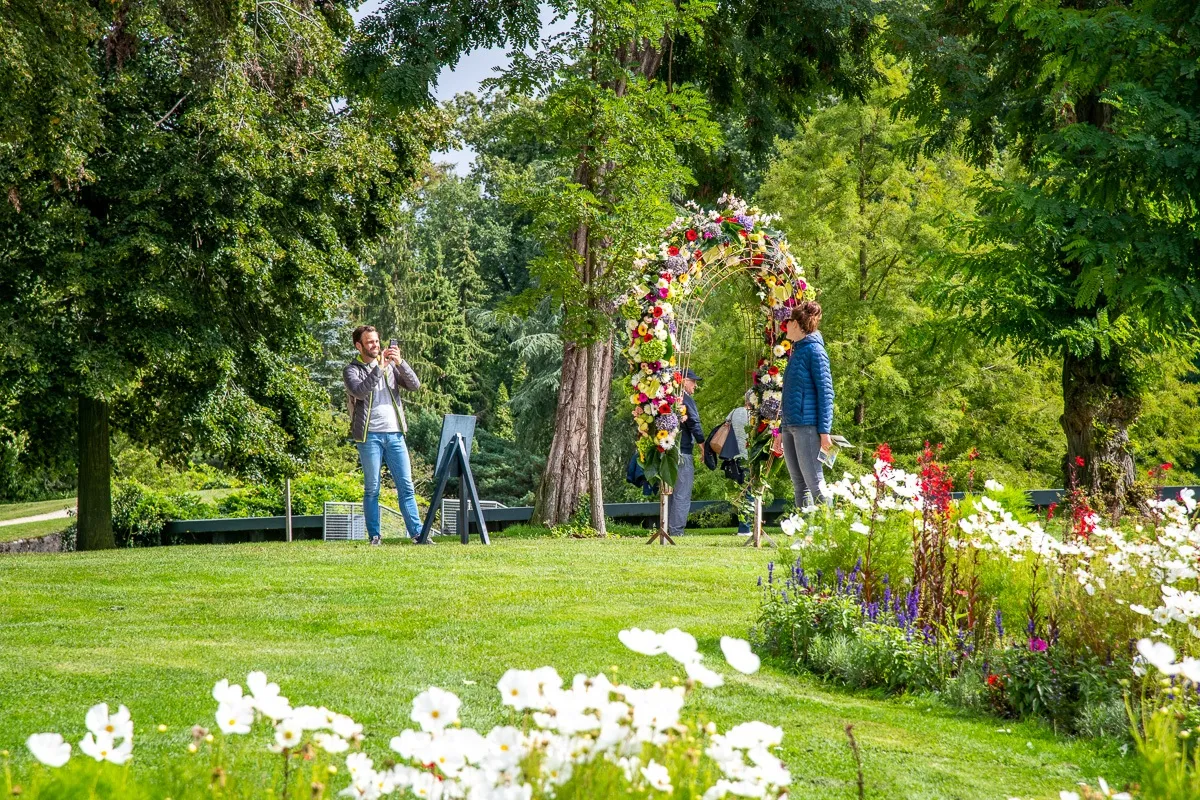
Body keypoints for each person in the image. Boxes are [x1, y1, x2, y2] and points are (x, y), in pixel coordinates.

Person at [343, 325, 423, 545]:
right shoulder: (352, 370)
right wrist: (379, 368)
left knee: (406, 487)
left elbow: (415, 385)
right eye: (370, 342)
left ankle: (418, 534)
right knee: (372, 488)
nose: (375, 345)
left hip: (395, 434)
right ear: (359, 346)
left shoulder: (391, 366)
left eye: (377, 341)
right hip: (369, 436)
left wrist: (400, 363)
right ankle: (375, 536)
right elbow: (359, 391)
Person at [780, 301, 834, 508]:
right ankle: (805, 528)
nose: (785, 326)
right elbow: (789, 395)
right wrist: (780, 430)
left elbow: (826, 393)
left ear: (796, 324)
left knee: (816, 484)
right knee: (799, 486)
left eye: (787, 322)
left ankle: (830, 527)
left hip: (807, 427)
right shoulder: (798, 351)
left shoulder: (815, 351)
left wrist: (824, 432)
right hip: (790, 426)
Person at [668, 368, 704, 537]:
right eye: (693, 381)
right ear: (683, 381)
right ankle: (676, 531)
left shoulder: (668, 398)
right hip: (683, 451)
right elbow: (694, 423)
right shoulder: (685, 399)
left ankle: (667, 527)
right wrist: (703, 446)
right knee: (682, 493)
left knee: (669, 492)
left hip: (667, 451)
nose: (695, 385)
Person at [725, 390, 754, 534]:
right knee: (749, 492)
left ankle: (744, 526)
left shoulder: (734, 412)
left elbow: (726, 425)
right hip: (750, 457)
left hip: (735, 458)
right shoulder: (755, 416)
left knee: (741, 492)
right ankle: (745, 528)